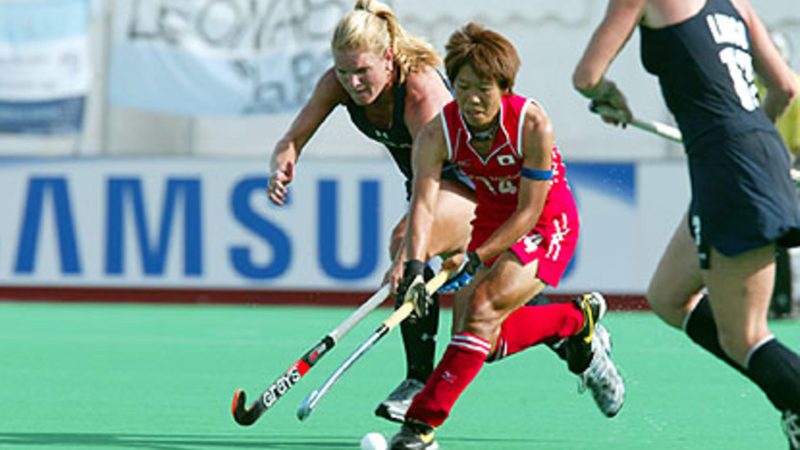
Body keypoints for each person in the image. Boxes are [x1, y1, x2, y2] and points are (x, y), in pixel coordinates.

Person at [267, 0, 623, 425]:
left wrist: (409, 260)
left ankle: (417, 381)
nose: (353, 82)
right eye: (344, 72)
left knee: (409, 249)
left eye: (362, 71)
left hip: (477, 189)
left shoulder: (422, 94)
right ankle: (578, 336)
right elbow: (293, 138)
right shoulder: (338, 83)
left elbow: (432, 190)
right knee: (483, 324)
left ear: (388, 57)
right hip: (441, 194)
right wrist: (284, 159)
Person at [572, 0, 800, 447]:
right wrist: (754, 141)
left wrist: (609, 96)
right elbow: (785, 88)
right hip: (749, 155)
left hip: (729, 167)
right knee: (669, 296)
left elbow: (587, 77)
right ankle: (791, 400)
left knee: (746, 336)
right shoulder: (735, 4)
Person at [390, 23, 617, 449]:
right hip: (491, 220)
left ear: (504, 87)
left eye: (483, 89)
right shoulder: (436, 134)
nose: (471, 99)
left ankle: (419, 425)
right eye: (462, 87)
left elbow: (529, 211)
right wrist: (417, 268)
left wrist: (476, 257)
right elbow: (422, 205)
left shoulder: (532, 124)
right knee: (482, 342)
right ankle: (575, 320)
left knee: (481, 309)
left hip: (546, 222)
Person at [756, 31, 800, 318]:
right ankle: (763, 303)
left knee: (782, 237)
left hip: (786, 172)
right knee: (757, 238)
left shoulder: (794, 88)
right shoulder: (746, 86)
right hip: (753, 172)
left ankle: (782, 301)